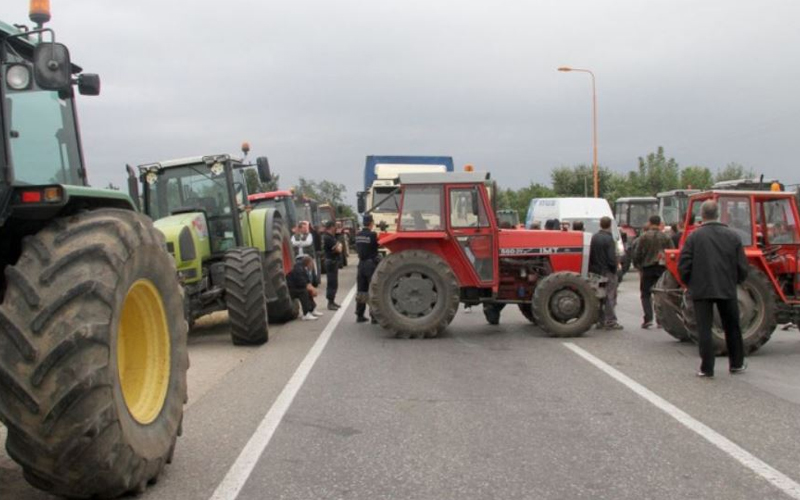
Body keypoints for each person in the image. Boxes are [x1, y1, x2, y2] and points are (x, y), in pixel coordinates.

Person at [679, 200, 748, 377]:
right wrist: (736, 281)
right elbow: (742, 266)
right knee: (732, 326)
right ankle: (737, 363)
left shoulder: (694, 237)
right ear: (718, 214)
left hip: (702, 289)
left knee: (704, 328)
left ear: (702, 215)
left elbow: (684, 264)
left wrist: (690, 283)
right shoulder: (733, 236)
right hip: (727, 287)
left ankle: (707, 368)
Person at [633, 215, 674, 329]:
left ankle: (648, 318)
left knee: (646, 294)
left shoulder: (644, 237)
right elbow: (671, 252)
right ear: (659, 223)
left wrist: (638, 265)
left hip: (647, 268)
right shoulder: (665, 237)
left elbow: (637, 253)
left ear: (650, 223)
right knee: (660, 294)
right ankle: (660, 319)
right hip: (661, 268)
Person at [589, 216, 623, 330]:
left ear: (600, 224)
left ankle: (600, 319)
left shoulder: (594, 237)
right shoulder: (609, 239)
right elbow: (611, 258)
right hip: (607, 271)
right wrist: (615, 270)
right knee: (610, 296)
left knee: (598, 295)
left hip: (595, 271)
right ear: (610, 225)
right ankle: (610, 320)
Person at [355, 214, 380, 323]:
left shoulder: (358, 235)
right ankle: (374, 316)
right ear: (371, 223)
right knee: (372, 290)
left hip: (361, 264)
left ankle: (359, 315)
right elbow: (378, 245)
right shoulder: (373, 235)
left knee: (361, 290)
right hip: (370, 265)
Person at [286, 256, 323, 321]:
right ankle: (306, 314)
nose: (312, 266)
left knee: (308, 291)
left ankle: (312, 309)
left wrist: (312, 289)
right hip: (290, 289)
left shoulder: (303, 268)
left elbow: (307, 281)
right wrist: (311, 289)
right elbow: (302, 282)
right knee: (303, 292)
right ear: (308, 263)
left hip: (297, 287)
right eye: (312, 264)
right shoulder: (298, 269)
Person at [322, 220, 342, 310]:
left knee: (334, 283)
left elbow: (339, 247)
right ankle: (330, 303)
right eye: (335, 226)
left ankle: (332, 301)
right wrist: (339, 245)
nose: (336, 228)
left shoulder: (331, 237)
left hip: (332, 261)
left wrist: (338, 245)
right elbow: (338, 249)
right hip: (331, 261)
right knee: (332, 283)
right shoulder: (328, 237)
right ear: (331, 227)